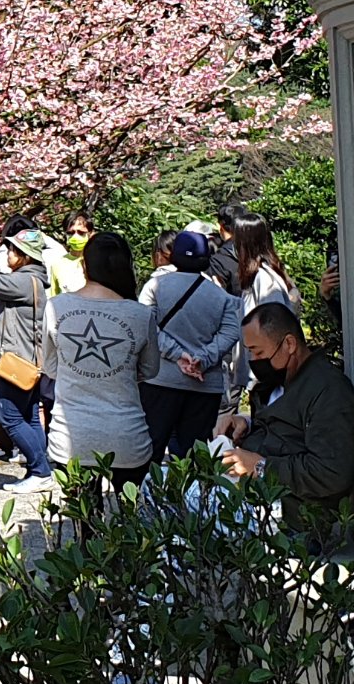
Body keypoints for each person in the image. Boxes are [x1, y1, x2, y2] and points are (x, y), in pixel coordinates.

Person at [217, 302, 354, 516]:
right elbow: (277, 425)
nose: (254, 361)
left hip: (293, 515)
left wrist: (261, 467)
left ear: (289, 344)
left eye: (258, 352)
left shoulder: (328, 391)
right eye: (250, 353)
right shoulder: (276, 381)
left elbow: (330, 472)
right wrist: (245, 423)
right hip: (256, 499)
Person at [42, 230, 156, 484]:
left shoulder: (55, 306)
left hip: (70, 439)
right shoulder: (141, 314)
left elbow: (50, 367)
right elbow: (150, 370)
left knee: (82, 508)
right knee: (130, 508)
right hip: (128, 438)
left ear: (84, 266)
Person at [138, 229, 239, 462]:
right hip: (205, 386)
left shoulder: (155, 286)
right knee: (194, 457)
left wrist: (177, 354)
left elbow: (146, 325)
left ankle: (144, 487)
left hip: (161, 380)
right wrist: (203, 358)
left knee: (150, 450)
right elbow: (231, 331)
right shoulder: (220, 296)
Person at [0, 218, 54, 487]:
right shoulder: (31, 280)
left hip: (17, 362)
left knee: (11, 418)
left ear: (25, 256)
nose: (8, 254)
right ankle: (38, 471)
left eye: (13, 250)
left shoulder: (24, 282)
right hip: (28, 360)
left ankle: (40, 471)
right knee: (29, 417)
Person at [216, 207, 299, 402]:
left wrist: (262, 370)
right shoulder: (259, 276)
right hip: (262, 372)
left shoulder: (265, 279)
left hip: (267, 374)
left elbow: (273, 326)